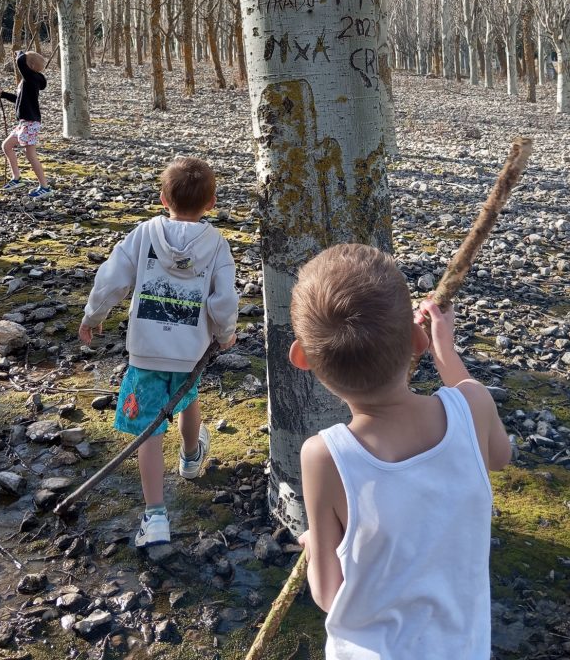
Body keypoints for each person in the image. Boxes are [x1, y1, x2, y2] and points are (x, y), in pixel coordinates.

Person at [289, 244, 513, 660]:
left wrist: (317, 543)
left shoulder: (325, 456)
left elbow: (327, 592)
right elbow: (498, 455)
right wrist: (445, 350)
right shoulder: (474, 408)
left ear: (302, 358)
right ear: (417, 340)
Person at [78, 157, 238, 546]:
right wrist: (225, 332)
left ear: (163, 197)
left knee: (148, 430)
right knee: (187, 397)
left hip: (146, 352)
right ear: (212, 202)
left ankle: (155, 515)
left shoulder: (144, 234)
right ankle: (189, 455)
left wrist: (93, 315)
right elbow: (224, 298)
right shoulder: (216, 244)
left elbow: (112, 277)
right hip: (189, 350)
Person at [0, 50, 52, 199]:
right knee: (6, 146)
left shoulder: (31, 77)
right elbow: (19, 100)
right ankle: (16, 179)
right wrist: (3, 94)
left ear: (30, 66)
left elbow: (20, 62)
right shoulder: (28, 81)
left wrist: (20, 53)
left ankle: (45, 187)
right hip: (24, 123)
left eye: (25, 62)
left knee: (30, 154)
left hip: (31, 122)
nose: (21, 64)